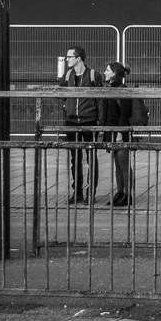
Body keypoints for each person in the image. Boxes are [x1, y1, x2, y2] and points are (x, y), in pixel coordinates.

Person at [59, 46, 104, 205]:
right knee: (75, 159)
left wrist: (100, 123)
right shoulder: (68, 75)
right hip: (71, 122)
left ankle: (90, 192)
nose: (67, 59)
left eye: (69, 56)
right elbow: (61, 95)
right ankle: (77, 192)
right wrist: (67, 107)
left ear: (78, 58)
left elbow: (100, 101)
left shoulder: (93, 75)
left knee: (91, 158)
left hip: (89, 122)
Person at [102, 61, 133, 207]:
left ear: (114, 73)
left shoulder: (122, 89)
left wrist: (120, 132)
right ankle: (120, 192)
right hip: (112, 130)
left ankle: (128, 195)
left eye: (107, 70)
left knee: (124, 163)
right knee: (117, 164)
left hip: (120, 131)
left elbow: (124, 113)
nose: (105, 72)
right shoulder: (111, 88)